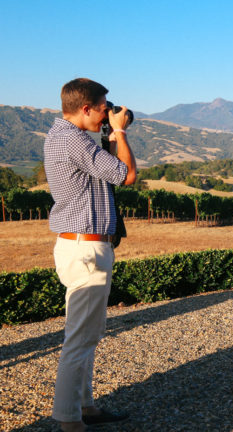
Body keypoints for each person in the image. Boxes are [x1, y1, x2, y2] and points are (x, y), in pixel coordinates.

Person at [44, 78, 137, 432]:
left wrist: (108, 139)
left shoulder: (67, 137)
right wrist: (121, 134)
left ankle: (85, 407)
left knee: (87, 334)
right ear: (85, 108)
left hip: (80, 245)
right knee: (79, 340)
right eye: (103, 107)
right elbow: (126, 176)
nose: (107, 113)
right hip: (86, 249)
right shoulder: (73, 140)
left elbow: (103, 176)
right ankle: (70, 422)